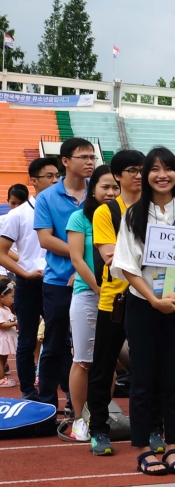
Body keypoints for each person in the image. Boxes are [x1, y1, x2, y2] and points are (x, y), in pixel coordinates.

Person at [111, 147, 175, 476]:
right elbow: (125, 266)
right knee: (142, 378)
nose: (161, 175)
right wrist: (153, 300)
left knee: (174, 378)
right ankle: (142, 448)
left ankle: (173, 445)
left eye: (168, 168)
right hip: (143, 305)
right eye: (154, 169)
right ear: (145, 175)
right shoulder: (133, 214)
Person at [84, 150, 146, 455]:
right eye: (132, 170)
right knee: (103, 367)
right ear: (118, 177)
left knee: (149, 367)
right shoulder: (106, 212)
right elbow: (110, 257)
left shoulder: (159, 210)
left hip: (149, 300)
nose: (139, 175)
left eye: (142, 170)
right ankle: (98, 429)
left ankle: (151, 427)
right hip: (116, 301)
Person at [35, 138, 96, 408]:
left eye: (92, 157)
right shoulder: (47, 197)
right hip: (58, 281)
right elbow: (45, 240)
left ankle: (83, 405)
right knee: (54, 344)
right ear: (66, 161)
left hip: (95, 283)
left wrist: (84, 271)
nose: (90, 162)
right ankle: (47, 405)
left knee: (91, 349)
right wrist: (78, 260)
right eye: (83, 157)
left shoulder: (100, 192)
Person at [64, 165, 118, 441]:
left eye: (114, 187)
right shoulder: (79, 218)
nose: (110, 192)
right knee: (84, 360)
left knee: (107, 361)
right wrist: (99, 287)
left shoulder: (122, 216)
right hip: (88, 294)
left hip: (116, 299)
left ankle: (99, 414)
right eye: (104, 186)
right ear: (92, 188)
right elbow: (77, 259)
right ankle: (78, 419)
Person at [0, 158, 57, 399]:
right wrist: (23, 272)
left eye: (58, 175)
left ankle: (53, 392)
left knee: (58, 340)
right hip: (29, 283)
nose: (56, 180)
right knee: (27, 340)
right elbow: (1, 251)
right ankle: (28, 392)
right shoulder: (18, 215)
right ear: (33, 180)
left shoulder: (64, 210)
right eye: (49, 176)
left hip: (57, 282)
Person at [0, 278, 15, 389]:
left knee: (4, 359)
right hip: (1, 338)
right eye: (12, 297)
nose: (13, 300)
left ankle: (3, 376)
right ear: (2, 297)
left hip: (5, 338)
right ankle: (1, 379)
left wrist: (13, 319)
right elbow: (2, 325)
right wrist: (15, 323)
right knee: (0, 359)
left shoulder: (6, 309)